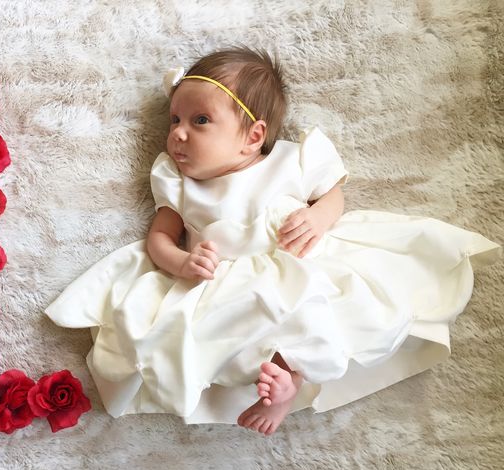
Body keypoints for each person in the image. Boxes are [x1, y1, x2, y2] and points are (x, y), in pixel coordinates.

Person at [45, 47, 500, 435]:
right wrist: (182, 263)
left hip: (298, 262)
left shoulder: (291, 161)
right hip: (228, 282)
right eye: (176, 119)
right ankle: (279, 381)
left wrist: (319, 217)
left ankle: (290, 380)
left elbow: (333, 194)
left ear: (254, 136)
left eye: (200, 120)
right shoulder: (180, 185)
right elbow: (158, 239)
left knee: (317, 312)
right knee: (222, 335)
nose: (178, 133)